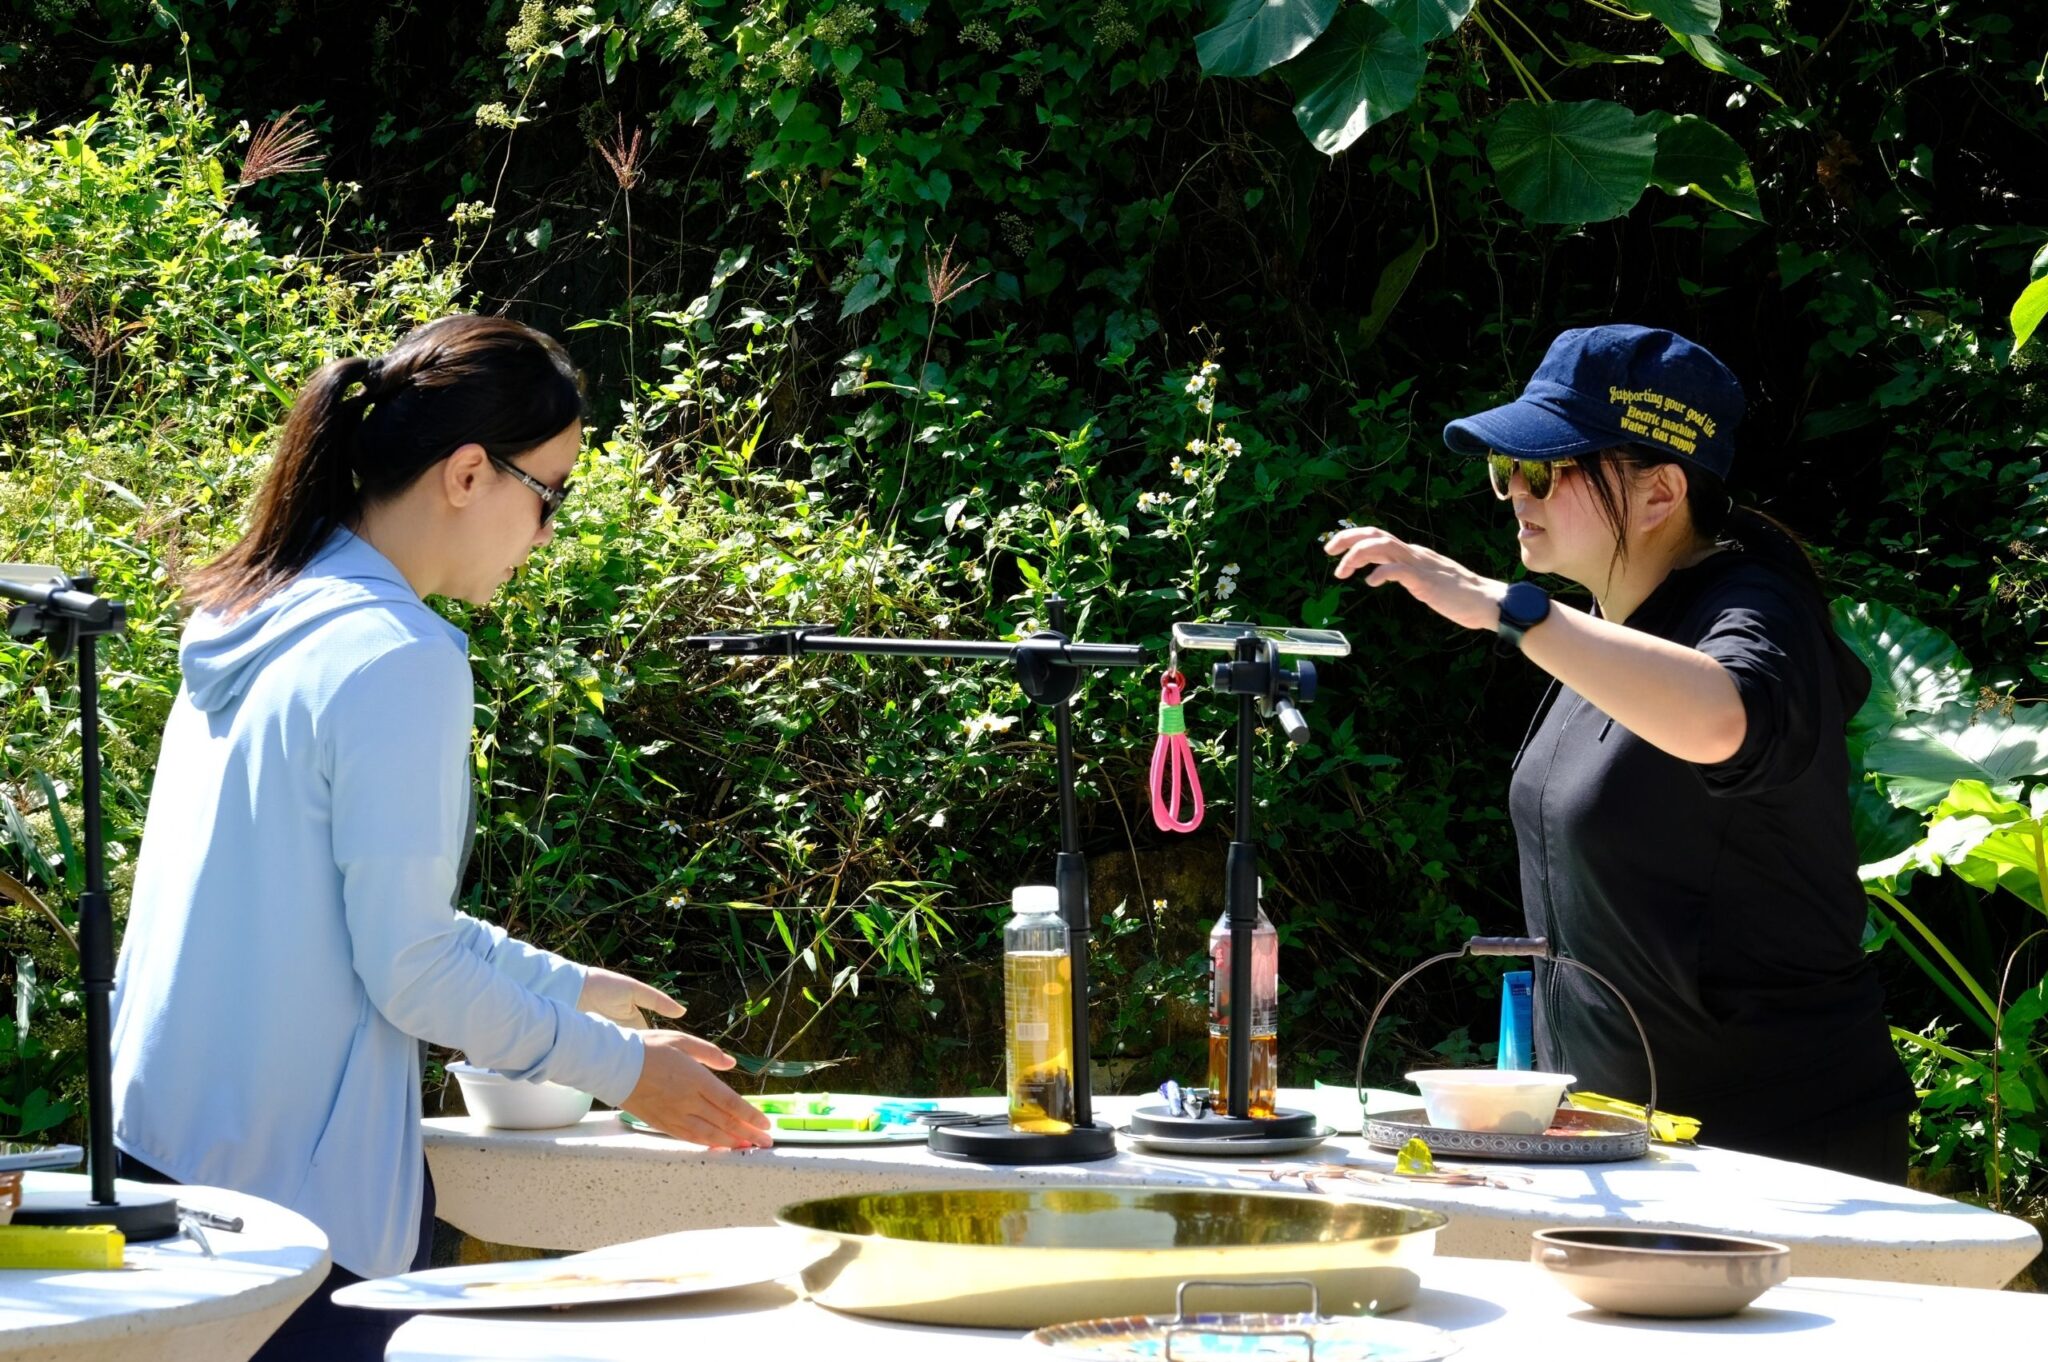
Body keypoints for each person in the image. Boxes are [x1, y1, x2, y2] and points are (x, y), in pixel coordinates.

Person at [109, 315, 772, 1360]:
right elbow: (407, 969)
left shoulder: (259, 614)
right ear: (468, 473)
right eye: (546, 494)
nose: (546, 532)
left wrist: (562, 984)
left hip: (161, 1154)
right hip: (293, 1214)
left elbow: (344, 917)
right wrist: (623, 1071)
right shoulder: (395, 655)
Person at [1325, 325, 1913, 1182]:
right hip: (1620, 1144)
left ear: (1660, 492)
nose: (1514, 496)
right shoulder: (1603, 633)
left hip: (1784, 1154)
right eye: (1505, 472)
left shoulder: (1755, 608)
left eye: (1542, 471)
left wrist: (1508, 608)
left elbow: (1724, 720)